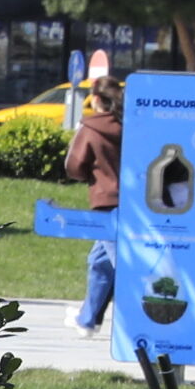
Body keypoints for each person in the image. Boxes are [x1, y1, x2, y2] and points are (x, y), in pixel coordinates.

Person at [68, 48, 123, 335]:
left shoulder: (91, 128)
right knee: (99, 261)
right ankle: (88, 320)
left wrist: (89, 174)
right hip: (135, 201)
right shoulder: (131, 125)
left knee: (122, 265)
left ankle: (141, 322)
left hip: (106, 201)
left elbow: (75, 166)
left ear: (97, 99)